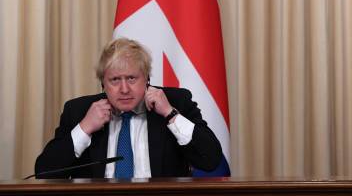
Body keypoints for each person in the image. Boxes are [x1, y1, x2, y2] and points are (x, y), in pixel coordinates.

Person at [35, 38, 222, 178]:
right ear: (103, 83)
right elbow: (44, 174)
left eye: (131, 78)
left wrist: (170, 114)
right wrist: (84, 128)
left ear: (147, 79)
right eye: (115, 80)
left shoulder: (177, 102)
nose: (124, 89)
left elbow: (210, 160)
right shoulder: (78, 110)